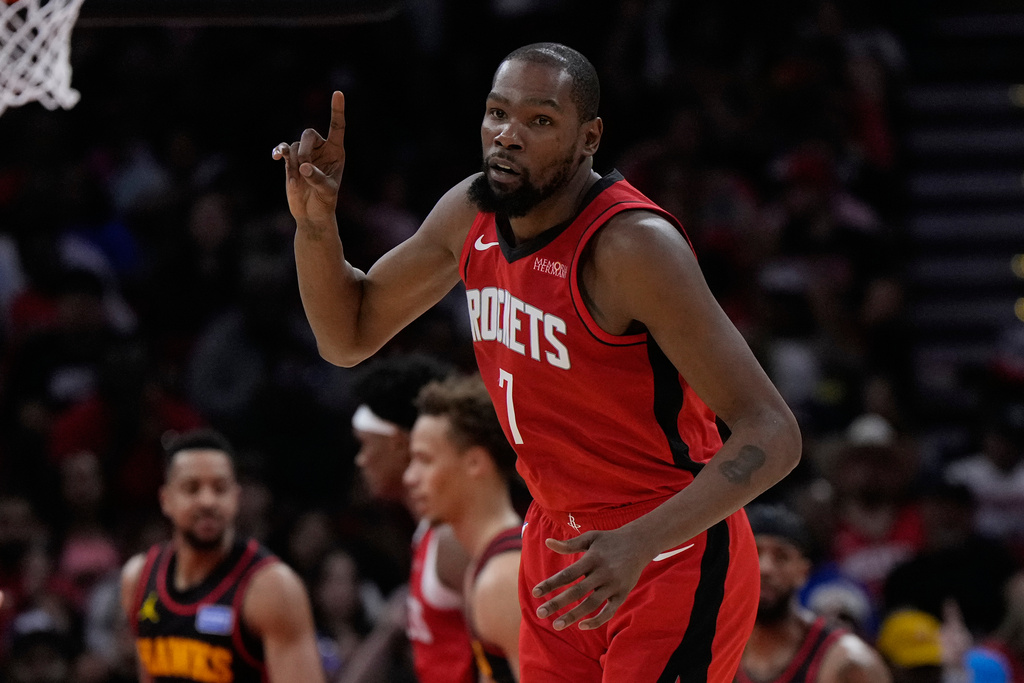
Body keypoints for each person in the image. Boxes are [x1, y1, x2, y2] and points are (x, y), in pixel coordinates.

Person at [274, 41, 802, 681]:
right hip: (555, 544)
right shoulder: (470, 212)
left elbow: (772, 433)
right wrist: (315, 226)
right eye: (497, 113)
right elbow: (347, 336)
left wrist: (641, 541)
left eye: (540, 120)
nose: (508, 137)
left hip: (668, 548)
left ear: (589, 138)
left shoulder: (632, 247)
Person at [119, 428, 325, 683]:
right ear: (166, 499)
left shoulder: (273, 589)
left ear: (236, 497)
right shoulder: (138, 577)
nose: (207, 501)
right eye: (191, 488)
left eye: (220, 488)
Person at [342, 354, 477, 683]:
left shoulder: (455, 539)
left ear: (400, 445)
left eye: (365, 446)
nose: (360, 461)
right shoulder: (427, 533)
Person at [405, 373, 523, 682]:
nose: (410, 478)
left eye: (424, 460)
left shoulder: (502, 580)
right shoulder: (485, 566)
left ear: (475, 463)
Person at [737, 504, 891, 683]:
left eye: (782, 557)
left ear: (803, 572)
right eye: (755, 552)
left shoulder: (848, 663)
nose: (766, 568)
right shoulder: (714, 645)